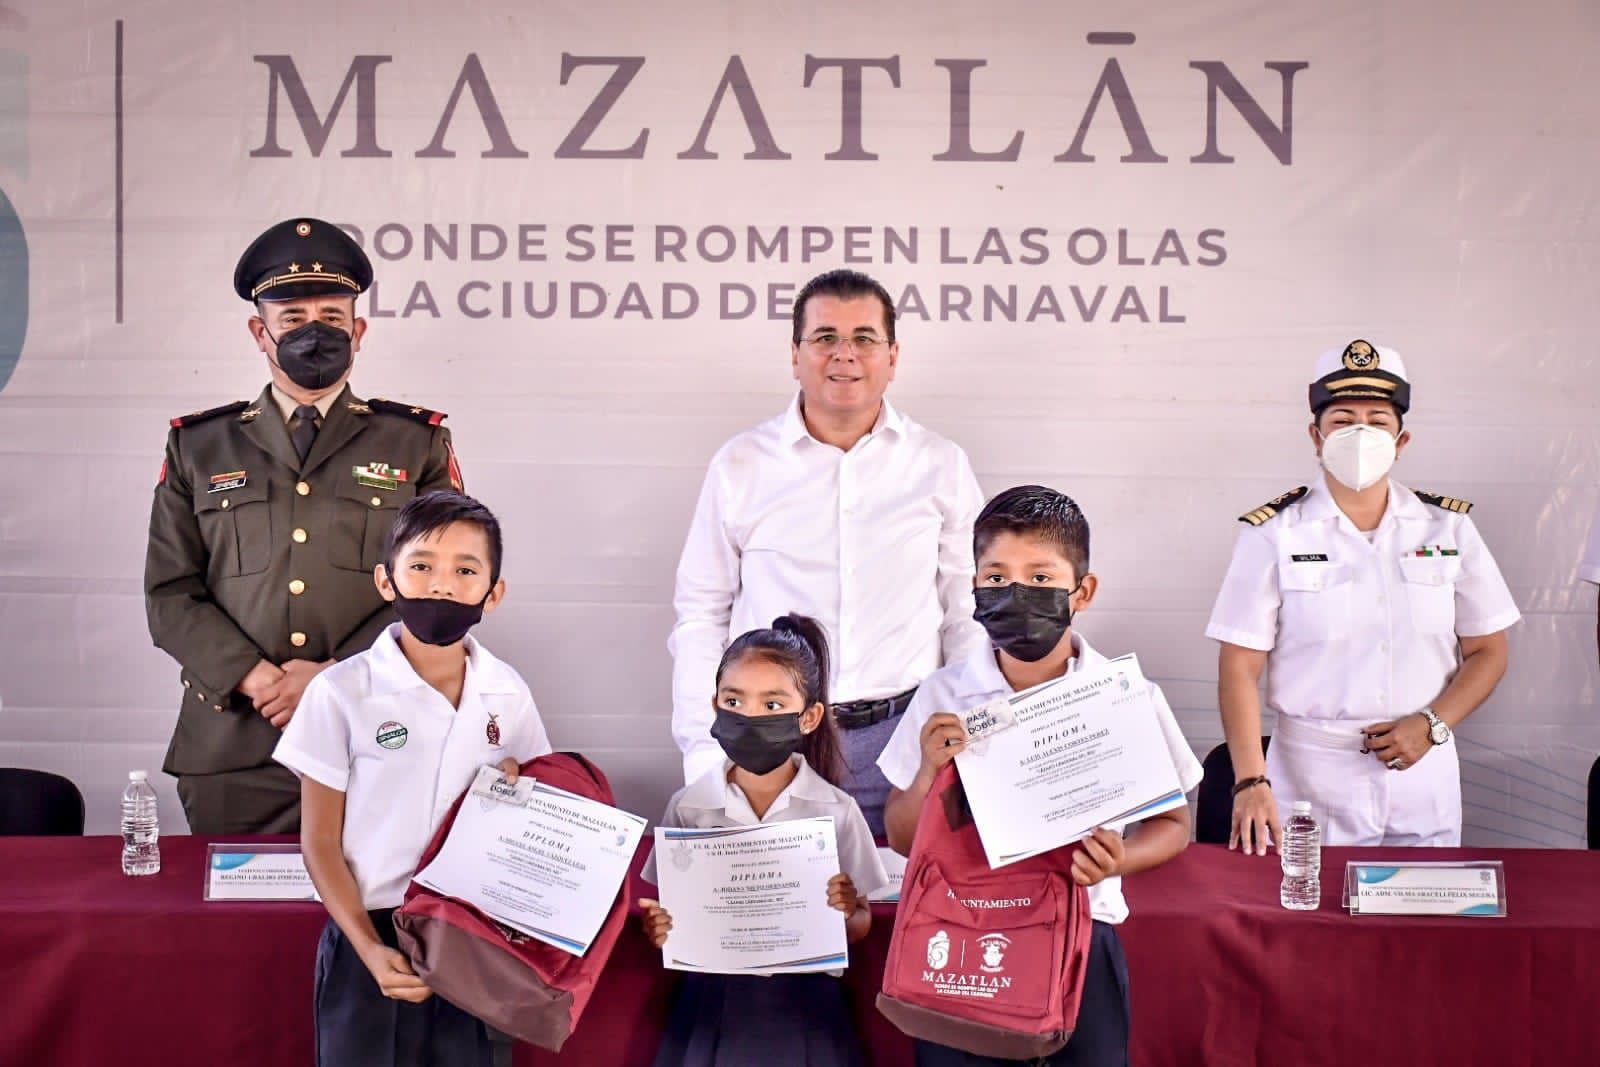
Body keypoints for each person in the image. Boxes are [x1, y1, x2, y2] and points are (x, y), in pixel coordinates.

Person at [144, 217, 464, 833]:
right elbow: (170, 592)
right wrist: (257, 677)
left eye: (331, 317)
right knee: (232, 900)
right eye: (292, 319)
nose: (313, 332)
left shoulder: (414, 443)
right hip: (235, 745)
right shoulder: (200, 447)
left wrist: (332, 678)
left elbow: (442, 587)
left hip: (376, 737)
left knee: (373, 899)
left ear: (358, 332)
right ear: (259, 333)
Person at [878, 485, 1200, 1067]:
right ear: (975, 588)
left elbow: (1174, 825)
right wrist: (928, 770)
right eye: (996, 578)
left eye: (1041, 578)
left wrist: (1119, 860)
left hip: (1082, 932)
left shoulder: (1125, 697)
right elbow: (903, 837)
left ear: (1083, 592)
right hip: (962, 932)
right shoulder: (943, 695)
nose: (1016, 593)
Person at [669, 268, 988, 837]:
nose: (845, 354)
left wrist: (966, 725)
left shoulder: (939, 464)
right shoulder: (741, 465)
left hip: (906, 742)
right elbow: (701, 615)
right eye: (824, 338)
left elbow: (968, 610)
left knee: (904, 893)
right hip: (774, 742)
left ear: (893, 356)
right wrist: (706, 755)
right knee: (779, 895)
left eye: (864, 338)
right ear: (795, 355)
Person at [1207, 340, 1520, 852]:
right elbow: (1239, 666)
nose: (1360, 434)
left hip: (1423, 767)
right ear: (1316, 435)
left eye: (1377, 421)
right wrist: (1251, 779)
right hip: (1311, 774)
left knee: (1425, 903)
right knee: (1308, 901)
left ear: (1401, 439)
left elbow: (1490, 650)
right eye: (1343, 420)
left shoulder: (1448, 528)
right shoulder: (1274, 533)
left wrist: (1433, 725)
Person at [274, 490, 551, 1067]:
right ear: (386, 580)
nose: (442, 585)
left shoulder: (508, 692)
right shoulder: (340, 692)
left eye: (465, 570)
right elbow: (319, 841)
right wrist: (368, 949)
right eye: (422, 566)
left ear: (494, 592)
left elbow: (539, 800)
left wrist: (519, 784)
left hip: (469, 936)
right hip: (369, 934)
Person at [641, 614, 888, 1067]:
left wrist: (846, 912)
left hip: (805, 1005)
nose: (750, 716)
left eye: (772, 704)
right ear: (715, 706)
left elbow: (861, 922)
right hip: (714, 1002)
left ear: (809, 717)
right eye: (734, 700)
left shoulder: (836, 810)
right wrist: (661, 929)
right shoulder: (689, 808)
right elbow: (670, 919)